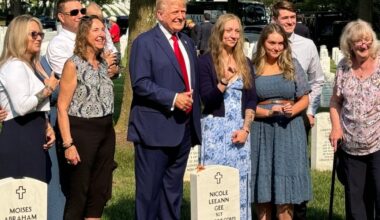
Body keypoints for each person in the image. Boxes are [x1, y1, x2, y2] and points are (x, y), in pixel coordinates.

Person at [127, 0, 202, 219]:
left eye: (183, 11)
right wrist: (172, 98)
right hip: (154, 130)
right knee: (149, 195)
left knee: (173, 193)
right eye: (175, 11)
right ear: (160, 14)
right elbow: (140, 83)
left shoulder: (187, 42)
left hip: (183, 130)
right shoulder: (145, 42)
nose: (180, 15)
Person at [198, 13, 257, 220]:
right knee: (215, 188)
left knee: (239, 186)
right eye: (229, 30)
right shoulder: (205, 62)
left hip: (239, 133)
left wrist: (245, 129)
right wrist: (223, 81)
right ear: (219, 32)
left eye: (237, 31)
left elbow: (251, 100)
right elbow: (207, 100)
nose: (233, 35)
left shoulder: (246, 62)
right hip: (214, 133)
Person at [251, 23, 312, 220]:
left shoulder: (292, 65)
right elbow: (248, 105)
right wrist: (268, 113)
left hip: (290, 130)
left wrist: (293, 109)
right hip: (261, 131)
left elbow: (305, 98)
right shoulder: (253, 68)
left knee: (286, 195)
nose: (276, 48)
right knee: (263, 192)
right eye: (272, 43)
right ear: (263, 43)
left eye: (280, 43)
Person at [57, 15, 115, 219]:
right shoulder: (73, 65)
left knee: (99, 192)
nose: (101, 34)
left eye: (103, 30)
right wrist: (68, 144)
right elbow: (62, 107)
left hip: (106, 131)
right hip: (82, 133)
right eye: (96, 30)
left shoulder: (102, 64)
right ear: (84, 34)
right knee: (79, 193)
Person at [270, 1, 324, 218]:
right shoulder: (263, 44)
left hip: (299, 115)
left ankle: (298, 213)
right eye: (285, 18)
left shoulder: (307, 45)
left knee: (297, 168)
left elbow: (317, 80)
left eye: (293, 18)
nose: (291, 22)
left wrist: (309, 110)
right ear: (275, 20)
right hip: (269, 116)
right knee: (273, 167)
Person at [329, 19, 380, 220]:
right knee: (354, 201)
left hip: (378, 143)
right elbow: (335, 101)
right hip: (350, 145)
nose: (363, 44)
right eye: (358, 41)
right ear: (349, 45)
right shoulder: (343, 67)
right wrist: (336, 128)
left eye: (367, 40)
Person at [0, 15, 58, 182]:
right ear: (18, 36)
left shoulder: (27, 65)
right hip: (20, 137)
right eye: (33, 34)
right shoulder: (15, 66)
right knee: (22, 201)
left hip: (32, 135)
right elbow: (22, 107)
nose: (39, 37)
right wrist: (49, 88)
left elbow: (32, 104)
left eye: (40, 34)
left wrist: (46, 125)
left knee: (34, 198)